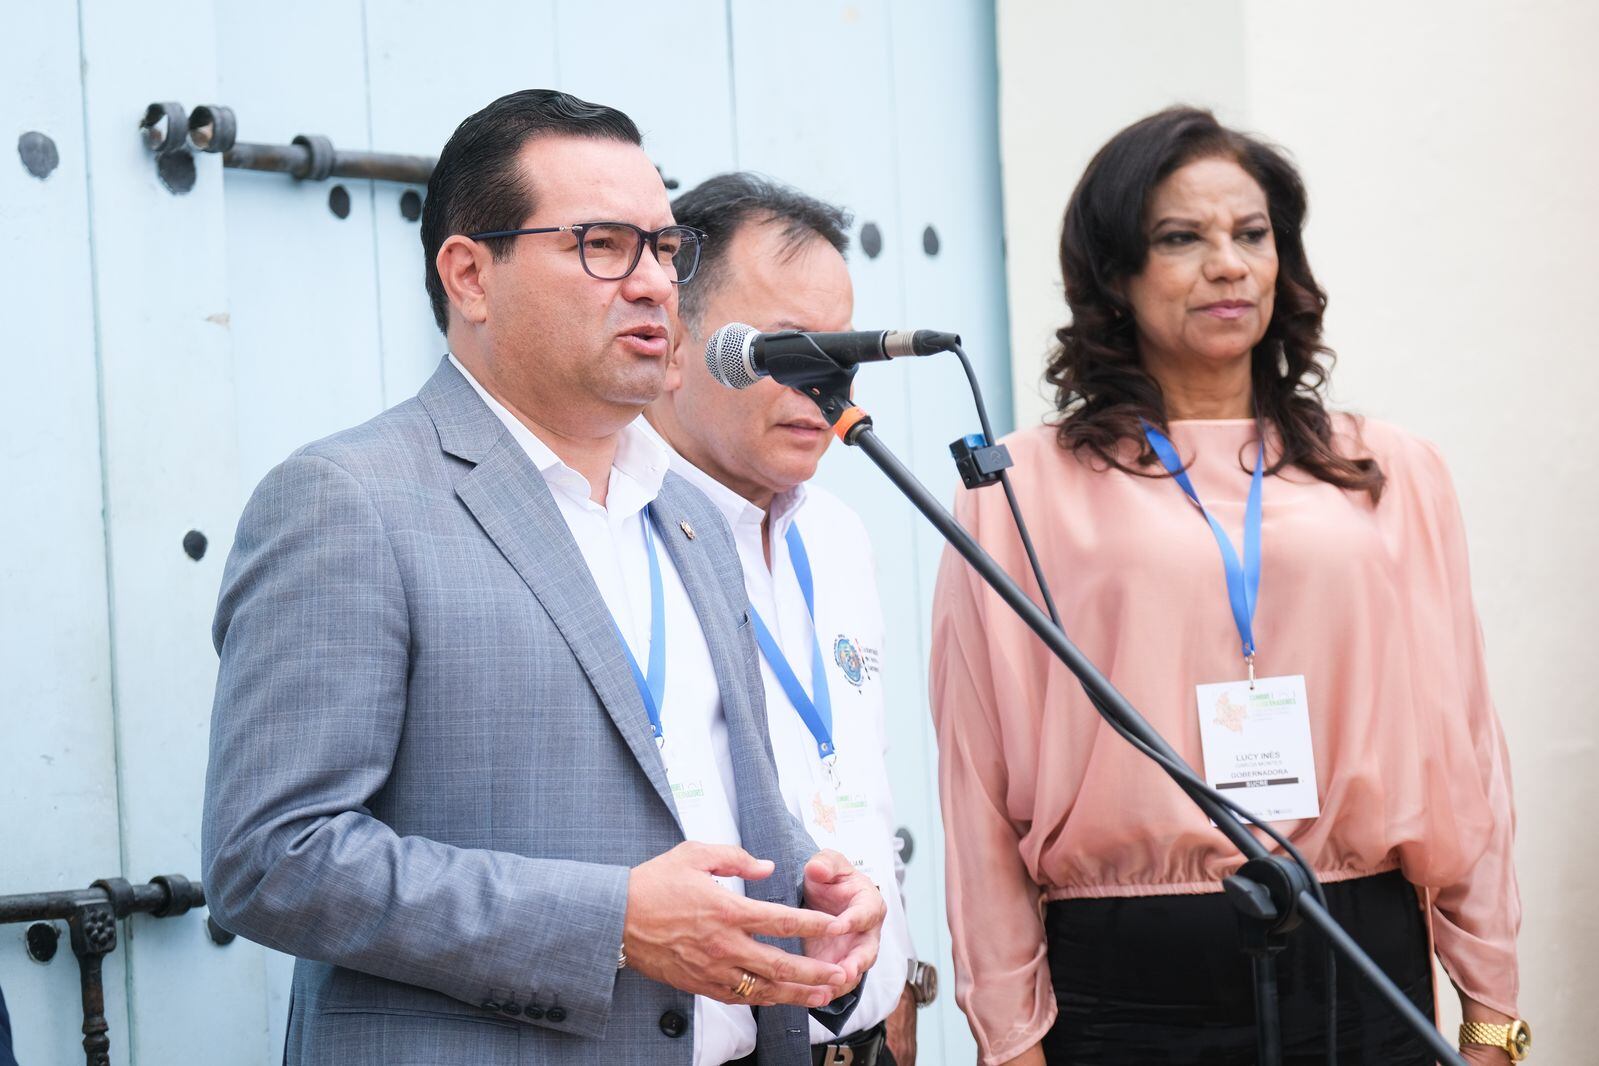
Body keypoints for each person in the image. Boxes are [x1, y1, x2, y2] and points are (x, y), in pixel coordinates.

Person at [201, 89, 883, 1066]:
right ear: (470, 275)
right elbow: (271, 857)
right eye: (603, 245)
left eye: (665, 247)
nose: (653, 284)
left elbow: (713, 800)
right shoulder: (349, 500)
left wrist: (814, 892)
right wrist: (612, 923)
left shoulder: (689, 516)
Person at [930, 107, 1524, 1066]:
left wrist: (1490, 1006)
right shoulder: (1019, 488)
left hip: (1361, 959)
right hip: (1128, 987)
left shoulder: (1392, 471)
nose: (1227, 266)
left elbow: (1467, 750)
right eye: (1180, 239)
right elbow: (976, 781)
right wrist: (1008, 1036)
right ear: (1115, 274)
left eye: (1251, 234)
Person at [646, 173, 936, 1066]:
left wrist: (897, 978)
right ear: (675, 338)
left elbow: (860, 777)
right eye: (782, 348)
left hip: (864, 1034)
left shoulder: (839, 533)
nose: (821, 382)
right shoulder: (615, 531)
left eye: (837, 350)